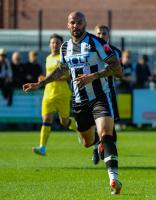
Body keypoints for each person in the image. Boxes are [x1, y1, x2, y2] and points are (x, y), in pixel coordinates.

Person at [23, 11, 123, 195]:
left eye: (78, 22)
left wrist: (95, 75)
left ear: (85, 24)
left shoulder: (96, 43)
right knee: (87, 142)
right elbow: (61, 69)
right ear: (68, 25)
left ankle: (113, 179)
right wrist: (41, 83)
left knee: (107, 133)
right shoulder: (65, 47)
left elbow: (117, 68)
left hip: (100, 96)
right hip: (79, 101)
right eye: (72, 22)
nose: (75, 25)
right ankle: (96, 143)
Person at [30, 33, 79, 156]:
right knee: (46, 119)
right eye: (53, 42)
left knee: (64, 122)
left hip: (62, 93)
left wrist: (50, 78)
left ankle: (78, 128)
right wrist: (43, 79)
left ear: (61, 44)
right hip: (48, 94)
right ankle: (42, 147)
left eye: (57, 42)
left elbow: (68, 76)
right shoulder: (47, 58)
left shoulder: (65, 57)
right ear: (49, 44)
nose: (55, 44)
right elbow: (48, 75)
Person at [92, 24, 121, 166]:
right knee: (93, 124)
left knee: (110, 126)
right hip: (91, 92)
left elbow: (118, 72)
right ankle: (95, 146)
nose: (101, 36)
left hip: (108, 92)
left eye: (103, 33)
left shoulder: (115, 51)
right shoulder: (89, 50)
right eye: (98, 34)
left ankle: (107, 150)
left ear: (108, 35)